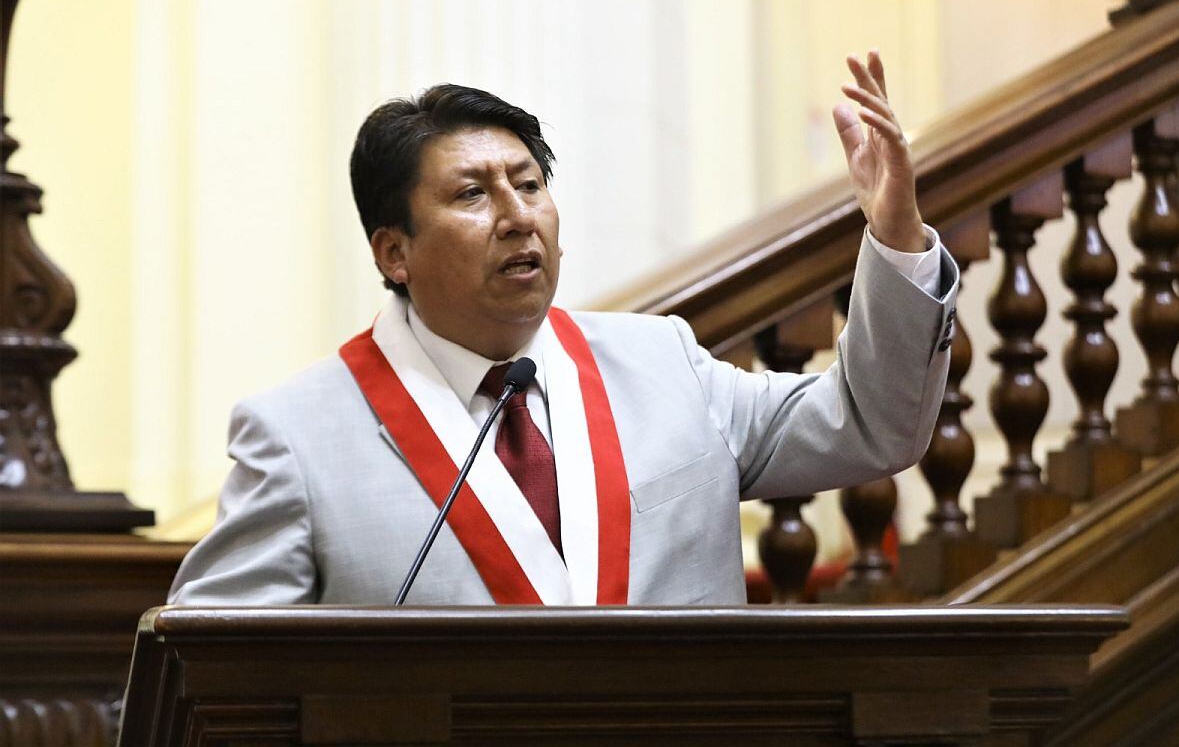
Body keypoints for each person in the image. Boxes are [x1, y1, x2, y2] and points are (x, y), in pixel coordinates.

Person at [169, 52, 958, 606]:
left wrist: (894, 234)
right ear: (394, 250)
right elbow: (209, 671)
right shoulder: (299, 438)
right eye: (473, 194)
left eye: (530, 184)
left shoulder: (663, 364)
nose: (518, 217)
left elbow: (871, 428)